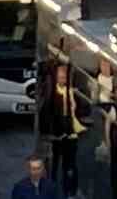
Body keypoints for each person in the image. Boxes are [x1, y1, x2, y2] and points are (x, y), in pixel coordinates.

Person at [36, 65, 89, 198]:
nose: (62, 79)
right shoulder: (51, 93)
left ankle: (71, 190)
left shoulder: (70, 91)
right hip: (57, 133)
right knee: (54, 165)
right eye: (60, 77)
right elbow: (46, 113)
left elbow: (77, 110)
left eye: (64, 77)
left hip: (70, 131)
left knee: (70, 164)